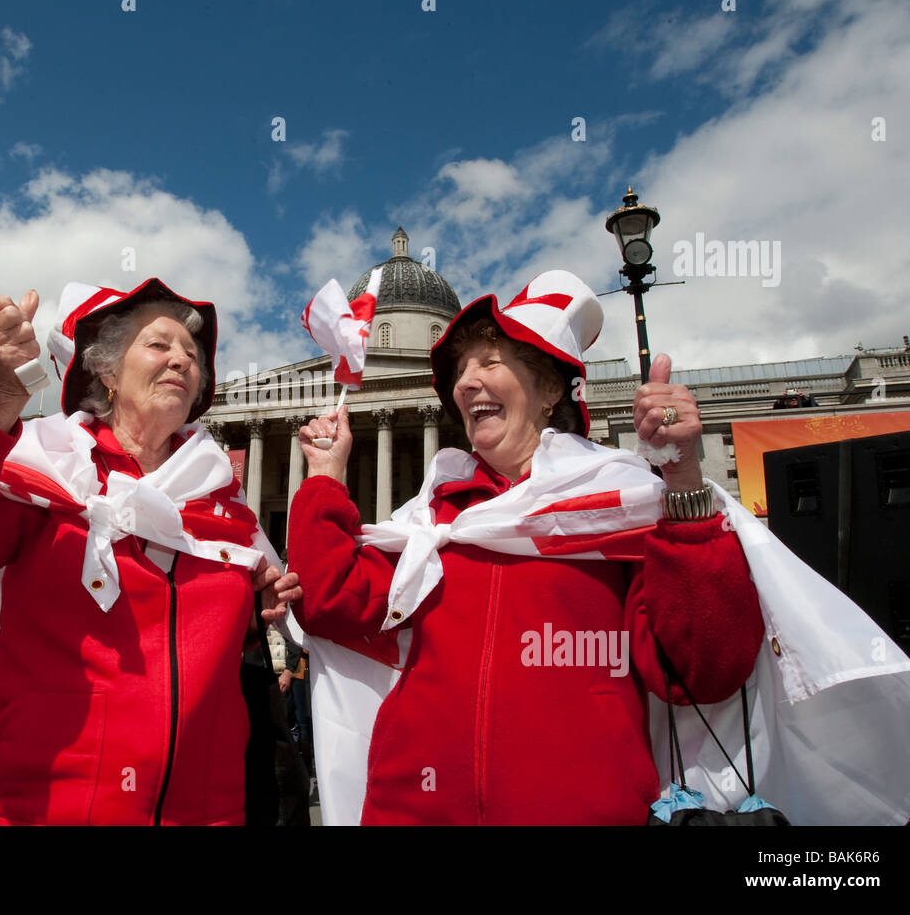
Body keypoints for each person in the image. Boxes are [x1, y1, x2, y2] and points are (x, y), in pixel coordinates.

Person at [288, 270, 765, 824]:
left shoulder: (619, 507)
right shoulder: (435, 518)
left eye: (490, 362)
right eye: (461, 370)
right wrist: (324, 475)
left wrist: (682, 482)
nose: (467, 382)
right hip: (412, 808)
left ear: (550, 388)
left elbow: (704, 670)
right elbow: (330, 605)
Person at [0, 279, 299, 825]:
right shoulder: (52, 473)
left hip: (204, 808)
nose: (181, 359)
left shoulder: (225, 509)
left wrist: (259, 604)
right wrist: (7, 398)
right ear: (106, 371)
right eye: (159, 345)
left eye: (192, 354)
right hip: (44, 803)